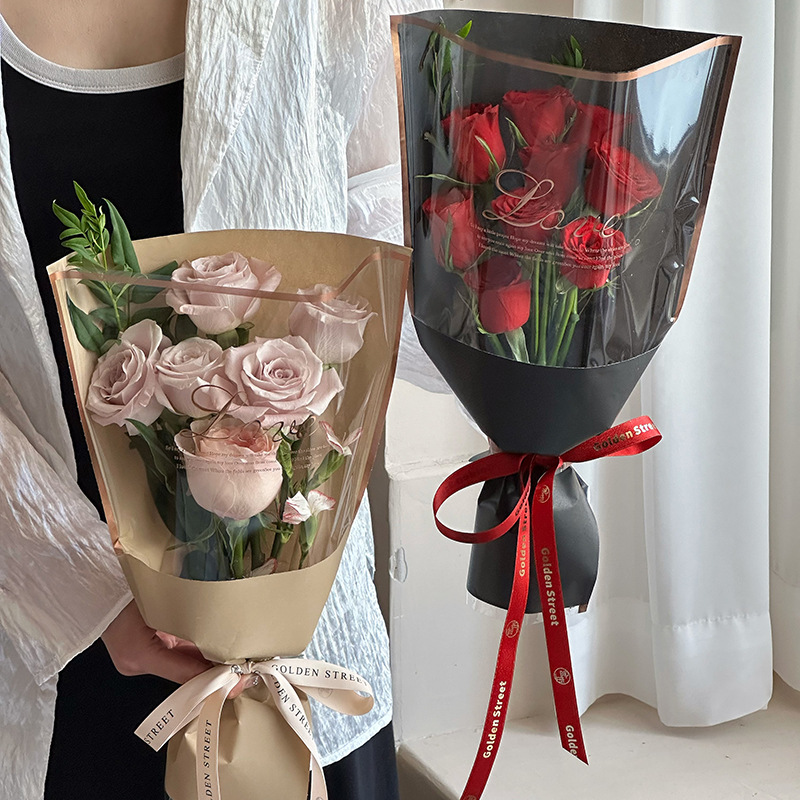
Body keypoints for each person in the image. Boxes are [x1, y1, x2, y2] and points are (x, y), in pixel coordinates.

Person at [0, 0, 435, 797]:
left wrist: (533, 359)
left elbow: (391, 266)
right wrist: (92, 595)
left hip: (295, 639)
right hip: (47, 642)